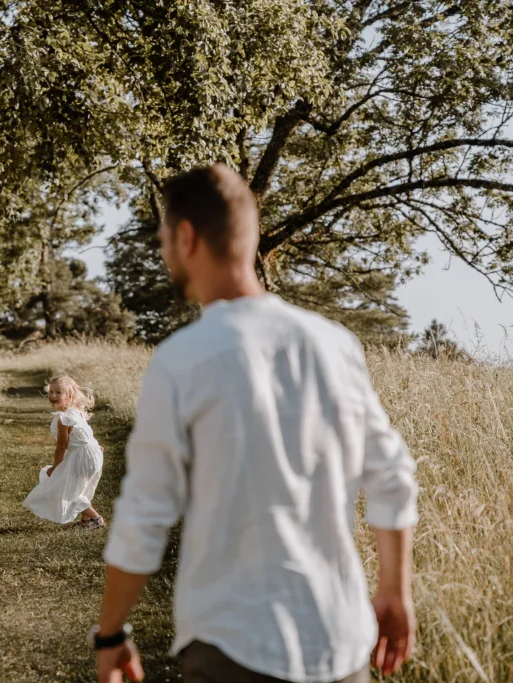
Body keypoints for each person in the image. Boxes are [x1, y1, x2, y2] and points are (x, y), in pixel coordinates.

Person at [92, 165, 419, 683]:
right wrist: (395, 591)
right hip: (340, 642)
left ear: (186, 236)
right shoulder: (333, 344)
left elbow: (145, 513)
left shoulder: (183, 359)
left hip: (232, 643)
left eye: (163, 240)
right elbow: (393, 474)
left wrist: (110, 635)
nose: (163, 254)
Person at [23, 374, 106, 529]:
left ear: (69, 396)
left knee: (65, 488)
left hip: (83, 455)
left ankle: (96, 518)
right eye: (51, 391)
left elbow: (61, 447)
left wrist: (55, 468)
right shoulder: (77, 411)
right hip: (92, 453)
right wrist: (95, 444)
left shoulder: (64, 419)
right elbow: (85, 431)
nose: (53, 396)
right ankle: (87, 518)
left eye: (58, 392)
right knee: (79, 486)